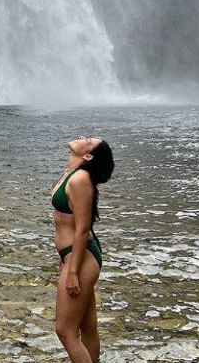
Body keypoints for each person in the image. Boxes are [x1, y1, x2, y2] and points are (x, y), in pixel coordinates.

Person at [50, 136, 114, 363]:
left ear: (87, 156)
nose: (82, 138)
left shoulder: (80, 179)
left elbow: (83, 229)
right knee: (87, 327)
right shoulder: (72, 173)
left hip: (81, 258)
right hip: (75, 256)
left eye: (88, 141)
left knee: (65, 331)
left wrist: (73, 271)